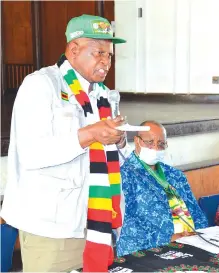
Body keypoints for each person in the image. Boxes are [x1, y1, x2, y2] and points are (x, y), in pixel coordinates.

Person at [1, 14, 128, 272]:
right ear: (73, 49)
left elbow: (114, 158)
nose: (106, 61)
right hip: (52, 228)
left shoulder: (104, 95)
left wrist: (120, 140)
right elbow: (33, 153)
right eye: (99, 53)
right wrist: (90, 134)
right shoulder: (41, 85)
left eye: (110, 55)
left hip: (97, 223)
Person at [116, 121, 208, 256]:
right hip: (144, 252)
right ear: (137, 141)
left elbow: (196, 213)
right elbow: (127, 226)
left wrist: (198, 233)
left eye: (161, 144)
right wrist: (168, 239)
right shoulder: (125, 175)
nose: (155, 148)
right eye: (149, 142)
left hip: (188, 243)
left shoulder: (175, 176)